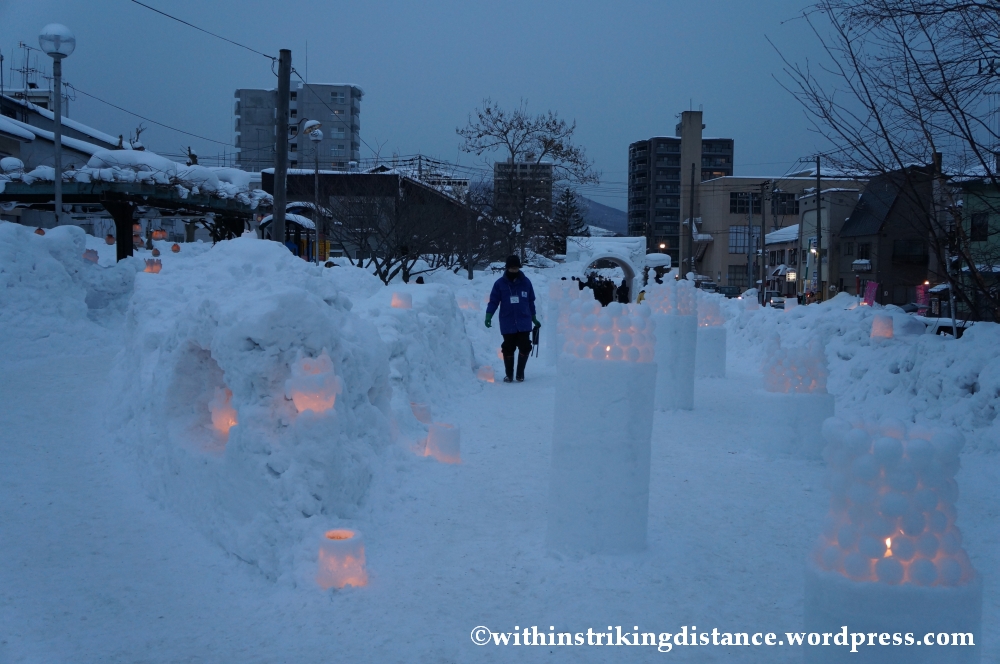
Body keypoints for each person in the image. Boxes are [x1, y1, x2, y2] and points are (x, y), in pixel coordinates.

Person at [485, 255, 540, 382]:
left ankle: (520, 373)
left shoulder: (526, 282)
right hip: (507, 321)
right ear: (507, 268)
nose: (514, 270)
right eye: (512, 268)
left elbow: (531, 301)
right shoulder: (499, 284)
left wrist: (533, 317)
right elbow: (494, 301)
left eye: (516, 268)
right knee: (508, 347)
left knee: (525, 346)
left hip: (524, 321)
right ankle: (509, 375)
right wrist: (489, 315)